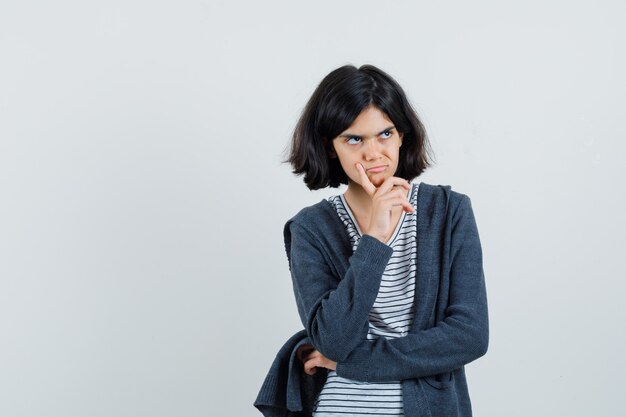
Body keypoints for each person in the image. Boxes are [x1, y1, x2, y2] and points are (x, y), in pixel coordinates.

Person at [257, 64, 489, 417]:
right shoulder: (310, 228)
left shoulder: (449, 212)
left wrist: (353, 363)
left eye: (385, 134)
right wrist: (375, 240)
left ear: (402, 135)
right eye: (354, 139)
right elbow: (333, 339)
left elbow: (469, 336)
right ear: (330, 147)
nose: (373, 153)